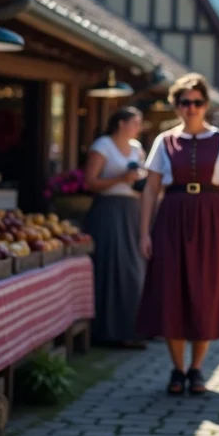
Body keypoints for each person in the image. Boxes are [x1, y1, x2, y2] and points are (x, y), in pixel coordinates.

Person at [136, 74, 219, 396]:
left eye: (197, 102)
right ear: (176, 105)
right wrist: (145, 232)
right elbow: (151, 189)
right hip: (171, 218)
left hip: (212, 219)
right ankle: (177, 367)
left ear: (206, 105)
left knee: (205, 292)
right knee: (172, 292)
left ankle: (197, 368)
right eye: (185, 102)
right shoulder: (164, 141)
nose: (192, 108)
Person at [83, 107, 146, 348]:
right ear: (121, 123)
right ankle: (107, 333)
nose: (139, 127)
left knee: (134, 269)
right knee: (110, 268)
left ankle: (133, 330)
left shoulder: (138, 148)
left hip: (132, 211)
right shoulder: (103, 146)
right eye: (135, 122)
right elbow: (90, 182)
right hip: (108, 211)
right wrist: (121, 179)